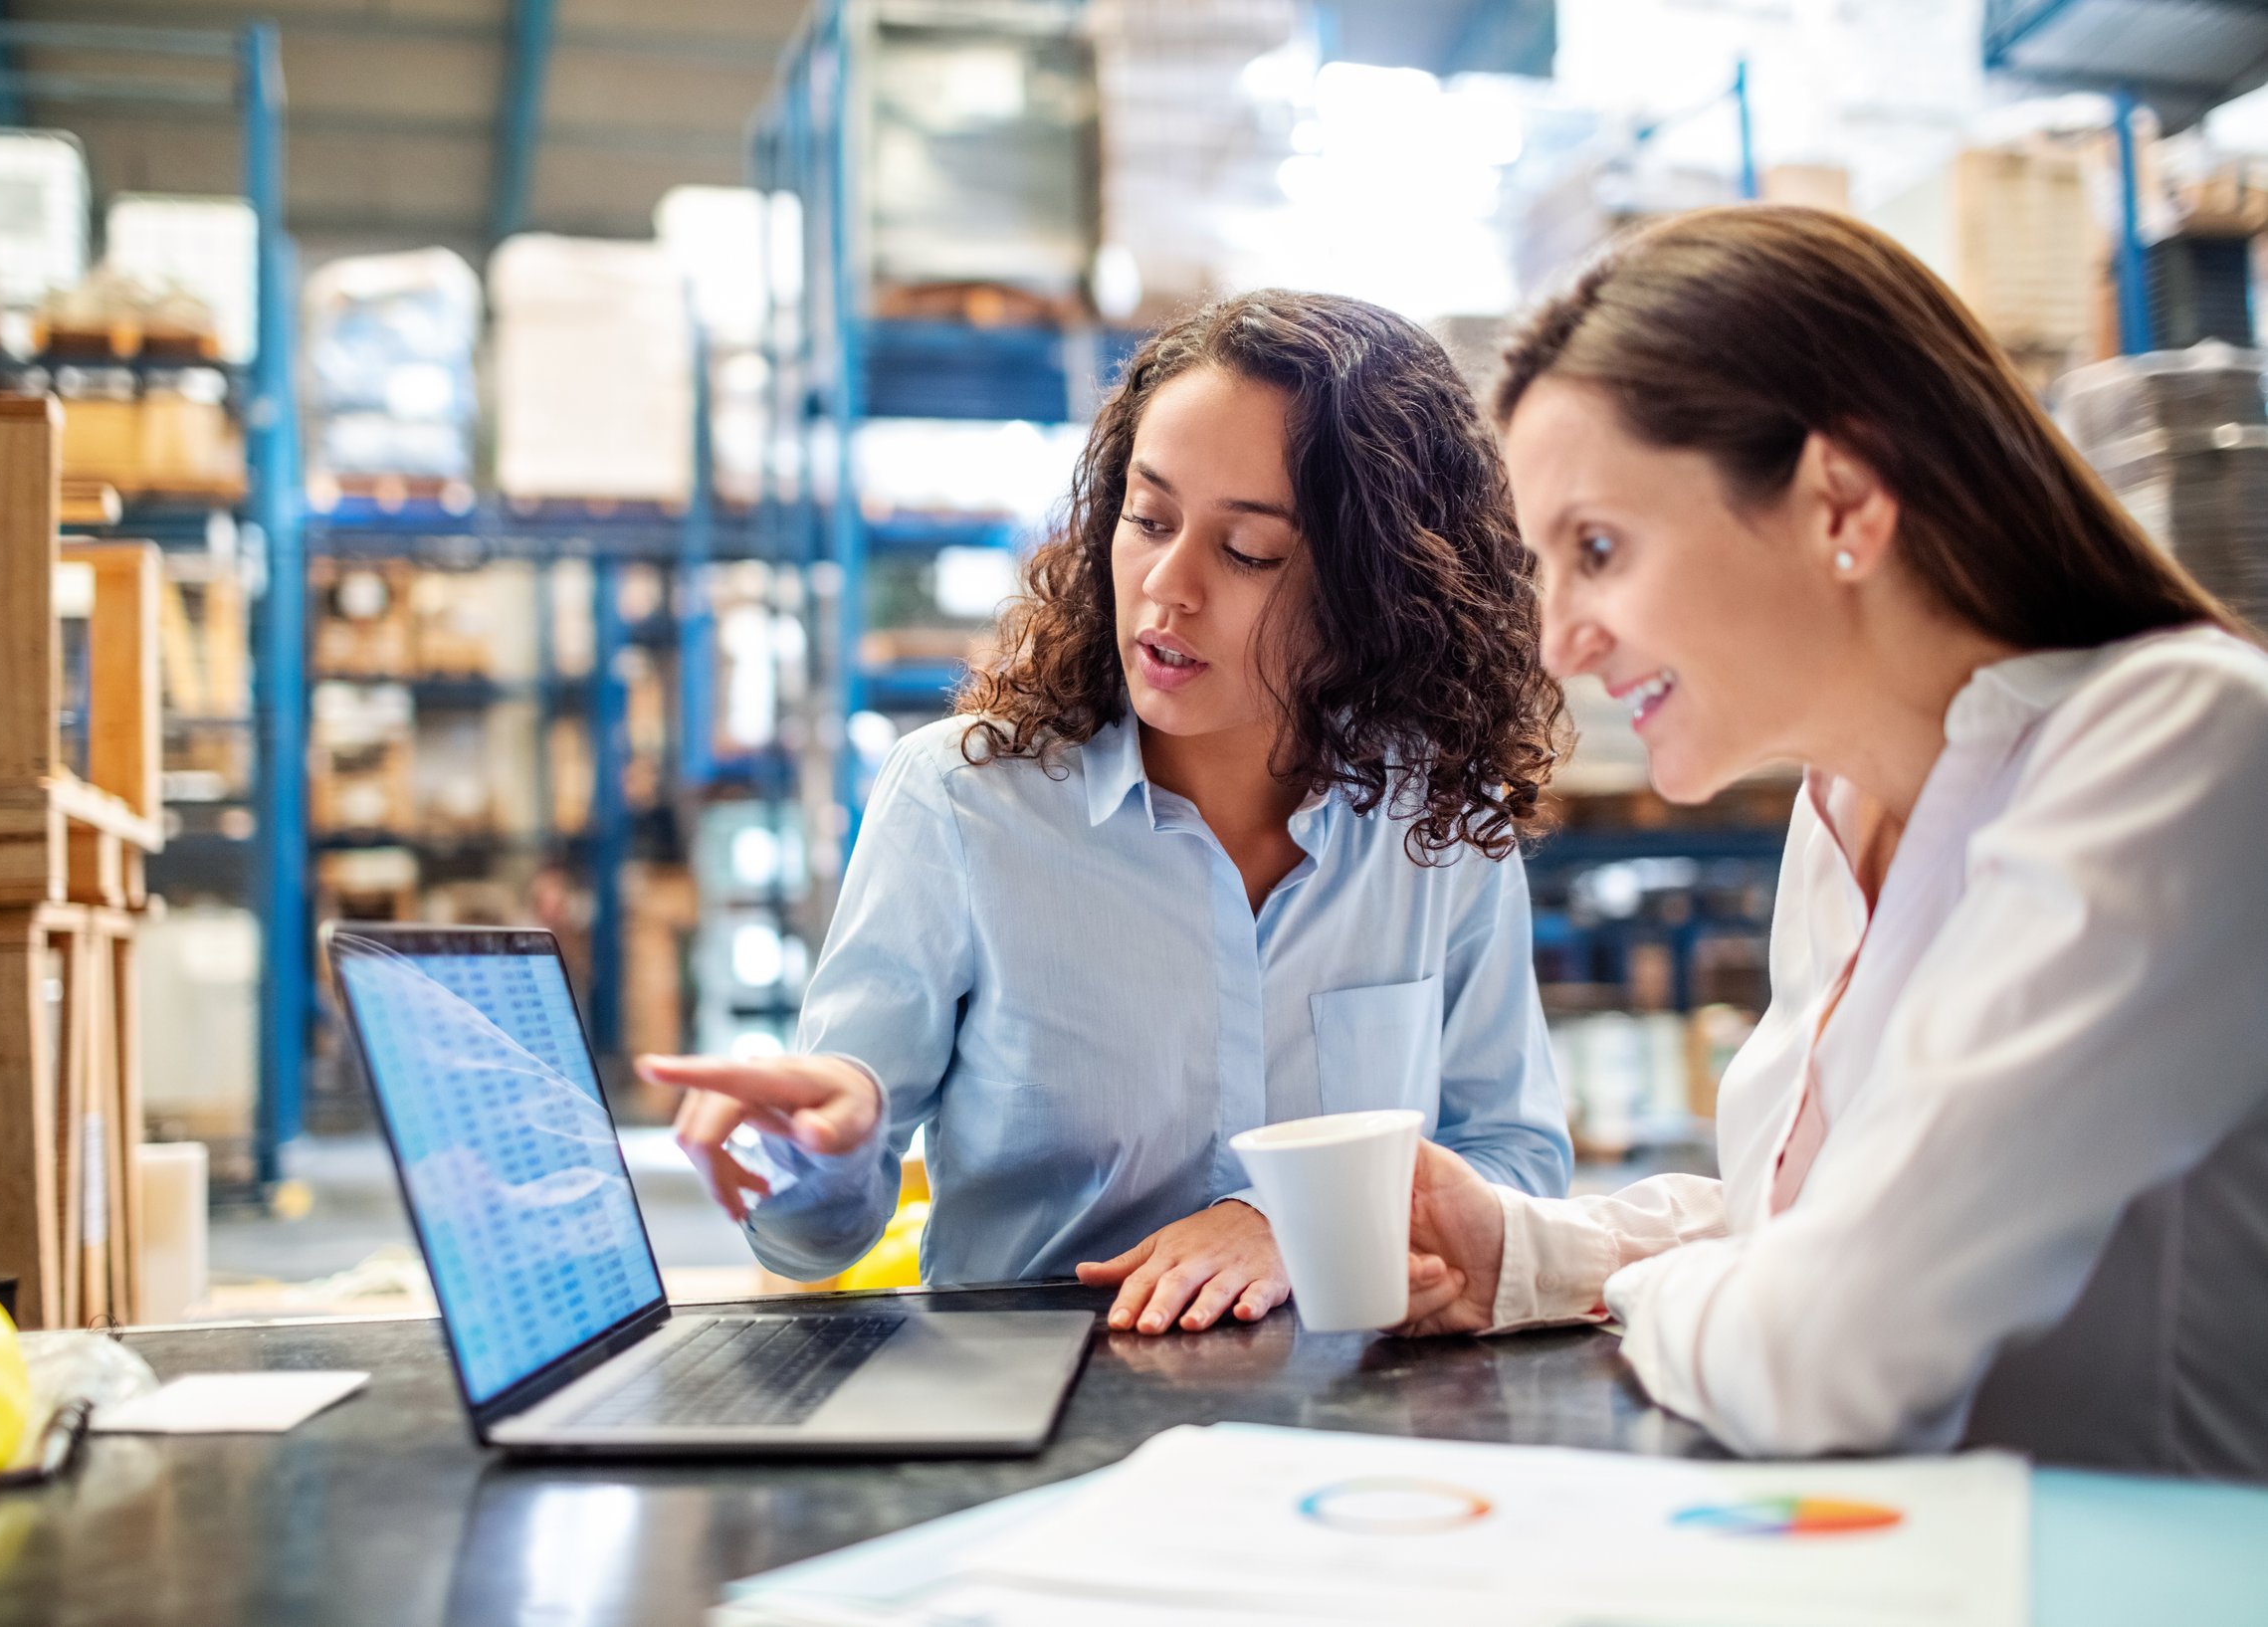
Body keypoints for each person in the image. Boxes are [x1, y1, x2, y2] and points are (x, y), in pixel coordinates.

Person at [1391, 205, 2268, 1477]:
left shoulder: (2177, 743)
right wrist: (1528, 1255)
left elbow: (1822, 1350)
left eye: (1597, 548)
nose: (1558, 641)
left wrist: (1645, 1295)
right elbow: (1816, 1217)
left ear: (1841, 500)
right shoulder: (1842, 805)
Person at [642, 290, 1571, 1333]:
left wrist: (1287, 1220)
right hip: (1039, 1414)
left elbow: (1517, 1160)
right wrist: (824, 1149)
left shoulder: (1437, 820)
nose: (1167, 586)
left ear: (1378, 588)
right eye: (1149, 516)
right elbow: (812, 1242)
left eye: (1248, 550)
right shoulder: (960, 802)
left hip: (1348, 1421)